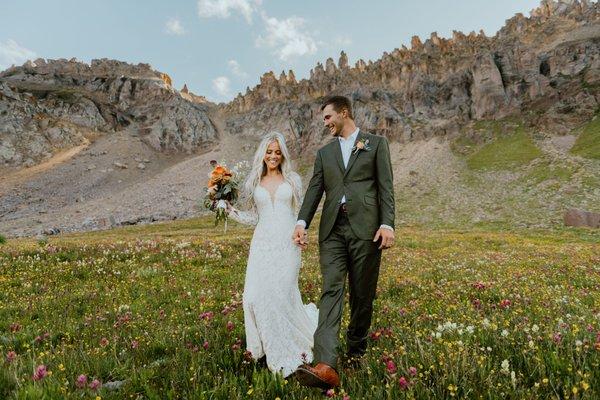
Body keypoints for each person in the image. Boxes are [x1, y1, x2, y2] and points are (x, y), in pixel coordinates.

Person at [293, 95, 395, 389]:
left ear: (344, 112)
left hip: (367, 229)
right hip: (332, 231)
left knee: (363, 295)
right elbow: (314, 191)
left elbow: (386, 187)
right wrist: (301, 223)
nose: (325, 123)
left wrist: (387, 223)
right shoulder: (324, 155)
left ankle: (356, 348)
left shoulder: (376, 144)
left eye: (327, 117)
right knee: (331, 291)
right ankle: (325, 363)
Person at [226, 132, 319, 378]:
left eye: (277, 152)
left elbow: (301, 214)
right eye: (269, 152)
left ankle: (288, 348)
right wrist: (230, 211)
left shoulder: (293, 180)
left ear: (283, 154)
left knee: (283, 294)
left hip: (288, 245)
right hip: (262, 245)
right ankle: (261, 347)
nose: (273, 156)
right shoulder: (254, 182)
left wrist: (303, 232)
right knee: (254, 296)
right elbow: (253, 217)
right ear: (262, 154)